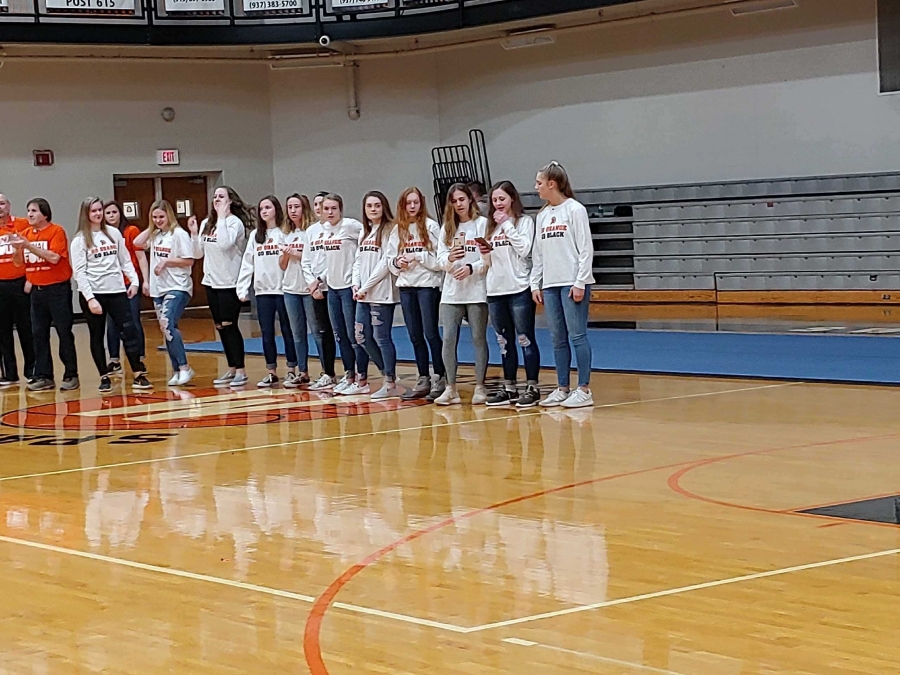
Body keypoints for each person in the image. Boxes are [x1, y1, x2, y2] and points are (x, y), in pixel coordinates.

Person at [70, 197, 151, 392]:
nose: (98, 214)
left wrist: (134, 281)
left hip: (116, 291)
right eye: (93, 211)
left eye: (99, 210)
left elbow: (124, 260)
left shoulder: (114, 233)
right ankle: (103, 376)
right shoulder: (80, 240)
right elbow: (79, 273)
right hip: (94, 294)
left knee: (129, 331)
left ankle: (138, 374)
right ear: (86, 214)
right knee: (97, 335)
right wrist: (90, 299)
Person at [531, 161, 594, 408]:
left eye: (539, 183)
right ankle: (562, 387)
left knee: (577, 335)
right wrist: (535, 283)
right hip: (551, 284)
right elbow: (538, 253)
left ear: (552, 184)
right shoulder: (543, 215)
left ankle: (584, 389)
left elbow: (585, 249)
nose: (536, 187)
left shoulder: (575, 210)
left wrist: (580, 282)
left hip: (572, 283)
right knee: (557, 338)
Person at [476, 181, 541, 408]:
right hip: (496, 290)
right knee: (504, 342)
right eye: (494, 200)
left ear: (512, 198)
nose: (498, 204)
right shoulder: (490, 227)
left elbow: (524, 250)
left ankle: (532, 386)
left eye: (502, 199)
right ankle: (510, 386)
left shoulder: (524, 222)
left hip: (518, 289)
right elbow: (488, 262)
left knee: (525, 339)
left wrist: (507, 226)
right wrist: (484, 253)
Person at [10, 198, 79, 391]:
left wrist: (28, 246)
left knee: (64, 332)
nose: (29, 214)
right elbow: (18, 263)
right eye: (28, 211)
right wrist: (18, 249)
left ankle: (71, 374)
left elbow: (54, 258)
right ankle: (44, 375)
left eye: (34, 211)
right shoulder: (24, 234)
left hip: (57, 290)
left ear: (45, 214)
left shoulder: (56, 231)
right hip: (37, 292)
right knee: (38, 334)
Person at [188, 186, 251, 388]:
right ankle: (231, 368)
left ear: (230, 201)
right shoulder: (208, 223)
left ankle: (241, 370)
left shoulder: (234, 223)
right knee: (220, 327)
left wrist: (223, 217)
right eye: (215, 197)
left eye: (221, 197)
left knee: (230, 326)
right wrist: (194, 233)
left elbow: (224, 244)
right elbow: (198, 254)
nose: (217, 199)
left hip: (229, 283)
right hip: (211, 282)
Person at [386, 187, 445, 401]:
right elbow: (389, 261)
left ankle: (440, 375)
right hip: (406, 286)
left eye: (416, 202)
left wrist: (419, 256)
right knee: (414, 335)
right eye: (408, 203)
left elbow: (440, 261)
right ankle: (423, 377)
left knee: (430, 332)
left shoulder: (431, 227)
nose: (412, 207)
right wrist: (398, 262)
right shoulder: (397, 230)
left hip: (427, 285)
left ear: (421, 203)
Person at [435, 183, 489, 406]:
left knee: (478, 338)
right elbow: (439, 260)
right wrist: (449, 259)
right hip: (451, 292)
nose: (458, 204)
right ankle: (451, 388)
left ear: (470, 200)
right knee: (448, 339)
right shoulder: (447, 228)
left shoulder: (482, 224)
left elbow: (487, 259)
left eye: (462, 199)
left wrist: (471, 267)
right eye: (454, 201)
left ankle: (480, 386)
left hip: (476, 290)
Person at [237, 196, 298, 388]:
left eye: (268, 207)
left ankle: (292, 369)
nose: (264, 211)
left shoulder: (284, 232)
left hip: (283, 290)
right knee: (266, 332)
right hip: (263, 291)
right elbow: (247, 263)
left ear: (276, 210)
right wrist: (242, 287)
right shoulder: (256, 235)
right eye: (262, 208)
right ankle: (271, 371)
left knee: (288, 331)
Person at [134, 200, 195, 387]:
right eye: (154, 217)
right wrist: (151, 227)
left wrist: (167, 262)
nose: (158, 220)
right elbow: (137, 242)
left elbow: (189, 260)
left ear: (169, 215)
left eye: (161, 216)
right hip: (159, 288)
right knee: (166, 328)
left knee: (167, 322)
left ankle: (185, 367)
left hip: (178, 286)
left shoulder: (179, 234)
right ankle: (177, 370)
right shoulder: (156, 235)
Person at [317, 194, 370, 395]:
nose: (330, 212)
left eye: (334, 209)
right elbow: (331, 262)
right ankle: (349, 375)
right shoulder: (325, 230)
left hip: (349, 288)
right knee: (339, 335)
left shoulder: (351, 226)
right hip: (332, 289)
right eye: (326, 209)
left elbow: (369, 236)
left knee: (353, 335)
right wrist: (319, 279)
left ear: (341, 209)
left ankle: (362, 378)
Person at [281, 193, 336, 389]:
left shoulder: (312, 231)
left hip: (310, 289)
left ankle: (327, 372)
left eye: (297, 206)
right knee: (297, 333)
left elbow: (313, 258)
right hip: (290, 288)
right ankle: (302, 372)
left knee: (318, 332)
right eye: (290, 207)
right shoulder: (286, 233)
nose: (293, 210)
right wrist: (286, 254)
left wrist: (297, 254)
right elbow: (283, 263)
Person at [352, 191, 400, 399]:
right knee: (361, 336)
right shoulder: (365, 231)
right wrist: (356, 284)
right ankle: (386, 373)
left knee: (382, 337)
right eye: (369, 205)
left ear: (384, 207)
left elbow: (385, 264)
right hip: (363, 294)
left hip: (381, 293)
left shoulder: (391, 229)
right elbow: (358, 260)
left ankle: (389, 382)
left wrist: (367, 286)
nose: (373, 209)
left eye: (377, 205)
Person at [103, 201, 148, 377]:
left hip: (130, 282)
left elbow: (140, 257)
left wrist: (144, 281)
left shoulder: (131, 231)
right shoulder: (102, 235)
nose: (111, 215)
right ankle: (114, 360)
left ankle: (139, 358)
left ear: (120, 214)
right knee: (112, 323)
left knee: (133, 321)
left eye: (114, 212)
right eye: (108, 213)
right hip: (112, 285)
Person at [302, 192, 339, 391]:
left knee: (341, 332)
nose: (318, 208)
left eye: (322, 204)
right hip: (316, 289)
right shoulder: (310, 231)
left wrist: (319, 280)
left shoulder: (339, 230)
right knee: (323, 332)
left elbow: (335, 261)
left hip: (333, 286)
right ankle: (328, 373)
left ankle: (353, 373)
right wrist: (312, 284)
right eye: (316, 204)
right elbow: (305, 260)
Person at [0, 194, 35, 388]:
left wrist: (30, 278)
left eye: (2, 203)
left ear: (9, 206)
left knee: (26, 329)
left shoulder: (22, 224)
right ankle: (9, 374)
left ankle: (32, 371)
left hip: (20, 283)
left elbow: (33, 250)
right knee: (2, 332)